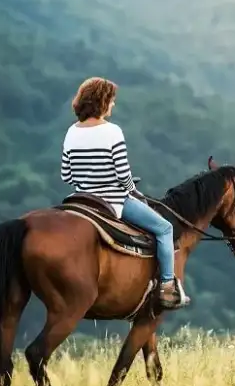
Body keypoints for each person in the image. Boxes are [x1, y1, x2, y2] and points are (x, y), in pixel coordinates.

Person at [61, 77, 189, 310]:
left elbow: (66, 175)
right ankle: (167, 286)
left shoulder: (71, 132)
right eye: (111, 100)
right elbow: (122, 175)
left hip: (80, 201)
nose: (113, 105)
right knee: (165, 228)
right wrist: (133, 190)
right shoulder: (112, 131)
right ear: (102, 101)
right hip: (112, 201)